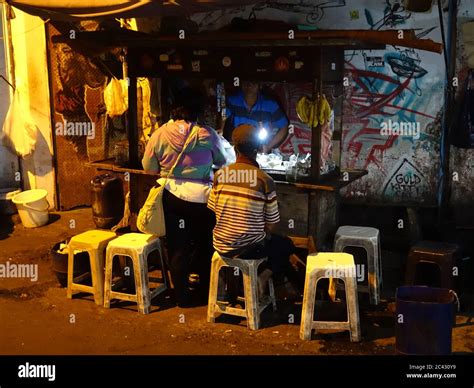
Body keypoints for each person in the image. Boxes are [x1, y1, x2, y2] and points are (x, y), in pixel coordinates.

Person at [142, 87, 227, 307]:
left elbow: (148, 167)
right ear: (197, 110)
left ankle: (182, 298)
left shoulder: (160, 134)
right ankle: (207, 294)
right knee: (205, 244)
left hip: (174, 197)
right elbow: (223, 161)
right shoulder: (206, 134)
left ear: (174, 109)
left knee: (178, 246)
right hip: (202, 200)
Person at [208, 124, 297, 299]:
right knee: (285, 245)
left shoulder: (220, 175)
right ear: (257, 150)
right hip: (248, 248)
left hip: (220, 245)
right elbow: (272, 224)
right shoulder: (264, 180)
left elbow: (213, 209)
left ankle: (235, 287)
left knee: (272, 243)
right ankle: (263, 278)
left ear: (235, 149)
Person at [223, 81, 290, 154]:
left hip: (259, 149)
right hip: (238, 148)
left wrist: (268, 146)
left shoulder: (270, 104)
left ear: (259, 86)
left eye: (253, 82)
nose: (249, 86)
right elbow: (223, 115)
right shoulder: (233, 100)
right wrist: (220, 130)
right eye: (246, 82)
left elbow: (284, 127)